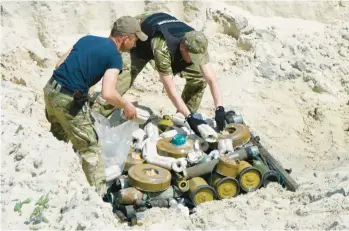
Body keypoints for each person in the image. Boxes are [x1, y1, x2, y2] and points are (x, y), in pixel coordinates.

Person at [43, 16, 147, 195]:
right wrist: (126, 105)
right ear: (126, 38)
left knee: (58, 139)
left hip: (50, 91)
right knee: (91, 149)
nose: (135, 45)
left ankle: (49, 179)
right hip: (67, 100)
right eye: (135, 40)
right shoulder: (115, 56)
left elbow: (59, 64)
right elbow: (108, 93)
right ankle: (99, 198)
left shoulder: (87, 39)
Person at [92, 12, 227, 137]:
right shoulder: (163, 47)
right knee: (120, 82)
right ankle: (93, 120)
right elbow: (170, 89)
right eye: (191, 56)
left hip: (165, 37)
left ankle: (181, 119)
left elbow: (211, 79)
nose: (193, 60)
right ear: (182, 47)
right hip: (140, 41)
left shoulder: (197, 43)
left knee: (199, 78)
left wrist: (219, 109)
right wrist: (190, 117)